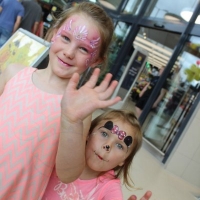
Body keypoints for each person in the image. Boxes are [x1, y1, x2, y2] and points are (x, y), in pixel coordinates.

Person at [0, 2, 151, 200]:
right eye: (65, 37)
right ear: (53, 32)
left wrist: (71, 121)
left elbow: (68, 173)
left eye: (84, 49)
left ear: (96, 60)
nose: (69, 52)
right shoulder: (14, 72)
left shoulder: (78, 110)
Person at [42, 108, 151, 199]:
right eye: (104, 133)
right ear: (88, 133)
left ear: (124, 160)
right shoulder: (63, 152)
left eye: (119, 146)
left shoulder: (110, 188)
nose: (107, 146)